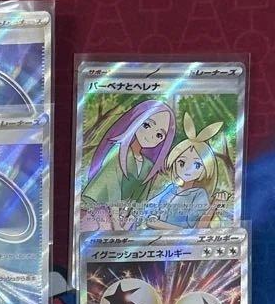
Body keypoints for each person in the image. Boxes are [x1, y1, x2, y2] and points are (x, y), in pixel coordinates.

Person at [80, 99, 175, 230]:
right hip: (94, 208)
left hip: (120, 218)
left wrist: (127, 225)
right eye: (147, 125)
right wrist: (117, 225)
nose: (151, 135)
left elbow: (140, 200)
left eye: (159, 135)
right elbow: (112, 188)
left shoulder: (148, 166)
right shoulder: (118, 153)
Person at [143, 113, 227, 229]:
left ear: (206, 169)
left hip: (178, 239)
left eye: (197, 165)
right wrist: (153, 221)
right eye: (181, 163)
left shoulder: (199, 194)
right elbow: (150, 210)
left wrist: (215, 204)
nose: (188, 169)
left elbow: (199, 228)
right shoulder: (171, 188)